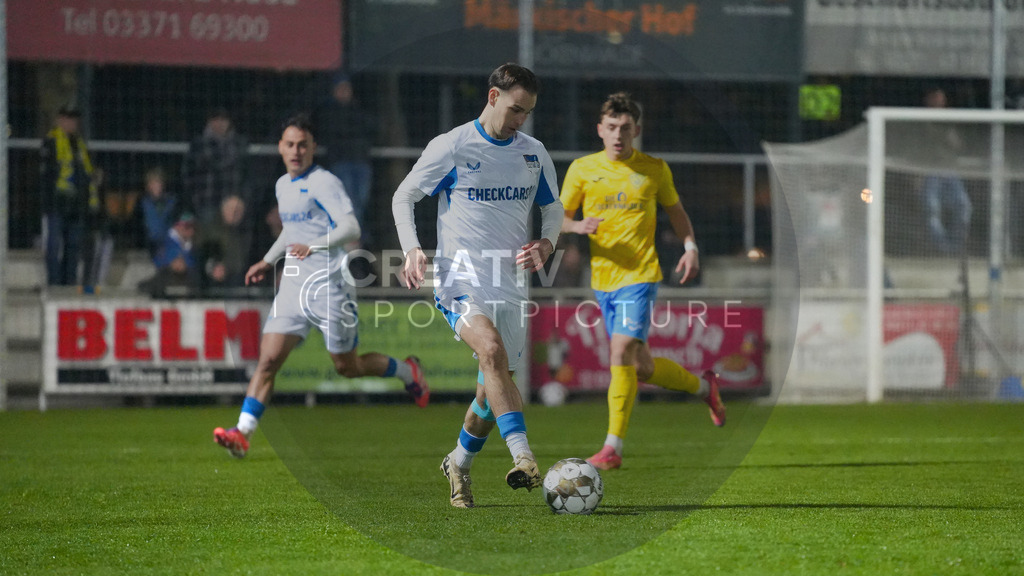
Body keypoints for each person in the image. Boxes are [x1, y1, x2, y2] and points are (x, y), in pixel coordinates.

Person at [392, 63, 563, 508]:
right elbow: (404, 195)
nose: (519, 119)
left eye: (526, 113)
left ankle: (459, 464)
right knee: (489, 350)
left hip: (511, 285)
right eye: (514, 109)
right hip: (459, 277)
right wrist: (412, 249)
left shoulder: (533, 152)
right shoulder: (453, 146)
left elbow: (554, 208)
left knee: (490, 391)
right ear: (492, 97)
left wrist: (547, 242)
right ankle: (524, 457)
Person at [213, 114, 430, 459]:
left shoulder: (325, 182)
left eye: (303, 145)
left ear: (313, 147)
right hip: (294, 286)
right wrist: (268, 261)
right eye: (290, 145)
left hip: (331, 285)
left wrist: (314, 246)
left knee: (348, 367)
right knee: (268, 361)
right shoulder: (283, 184)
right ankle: (242, 434)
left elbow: (349, 226)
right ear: (280, 148)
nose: (296, 151)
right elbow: (290, 229)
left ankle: (407, 370)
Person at [560, 92, 726, 471]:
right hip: (603, 281)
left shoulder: (654, 169)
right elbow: (559, 218)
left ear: (637, 130)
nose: (619, 135)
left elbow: (677, 212)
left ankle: (612, 447)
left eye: (626, 128)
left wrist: (690, 246)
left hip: (641, 277)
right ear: (600, 129)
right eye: (612, 127)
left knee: (620, 352)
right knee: (642, 368)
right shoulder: (582, 169)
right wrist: (575, 225)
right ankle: (705, 388)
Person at [40, 104, 98, 286]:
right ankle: (55, 282)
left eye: (74, 120)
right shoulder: (50, 142)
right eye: (68, 119)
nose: (72, 123)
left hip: (76, 205)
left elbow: (86, 174)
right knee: (54, 246)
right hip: (56, 203)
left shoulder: (79, 145)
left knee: (73, 245)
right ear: (59, 120)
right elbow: (46, 177)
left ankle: (69, 282)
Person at [315, 72, 377, 236]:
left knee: (360, 203)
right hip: (341, 162)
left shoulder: (359, 109)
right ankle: (351, 237)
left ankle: (354, 238)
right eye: (340, 88)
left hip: (361, 161)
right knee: (348, 203)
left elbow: (371, 129)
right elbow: (331, 133)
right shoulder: (328, 112)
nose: (344, 92)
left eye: (346, 88)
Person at [920, 86, 972, 255]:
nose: (938, 101)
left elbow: (960, 145)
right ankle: (943, 249)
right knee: (932, 209)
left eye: (940, 98)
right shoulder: (919, 121)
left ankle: (956, 247)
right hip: (930, 172)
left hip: (950, 171)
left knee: (964, 205)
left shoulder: (950, 120)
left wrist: (953, 138)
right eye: (934, 98)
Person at [182, 108, 249, 226]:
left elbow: (247, 175)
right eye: (216, 119)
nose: (219, 123)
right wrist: (194, 199)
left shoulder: (240, 143)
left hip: (233, 204)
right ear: (209, 122)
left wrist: (241, 199)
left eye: (223, 119)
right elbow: (188, 174)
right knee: (209, 241)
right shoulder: (198, 144)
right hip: (206, 202)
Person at [198, 194, 250, 289]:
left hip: (238, 285)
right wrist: (212, 268)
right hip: (211, 286)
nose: (234, 213)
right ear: (223, 209)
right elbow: (203, 255)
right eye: (231, 209)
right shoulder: (210, 231)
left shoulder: (246, 235)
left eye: (238, 210)